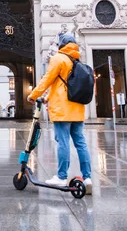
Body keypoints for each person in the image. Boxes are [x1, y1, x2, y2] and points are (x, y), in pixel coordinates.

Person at [27, 32, 92, 194]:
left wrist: (34, 95)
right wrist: (48, 97)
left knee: (62, 141)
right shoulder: (76, 60)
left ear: (61, 45)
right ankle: (87, 177)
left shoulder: (58, 59)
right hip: (77, 108)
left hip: (62, 109)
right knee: (80, 143)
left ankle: (62, 177)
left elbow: (48, 79)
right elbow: (62, 84)